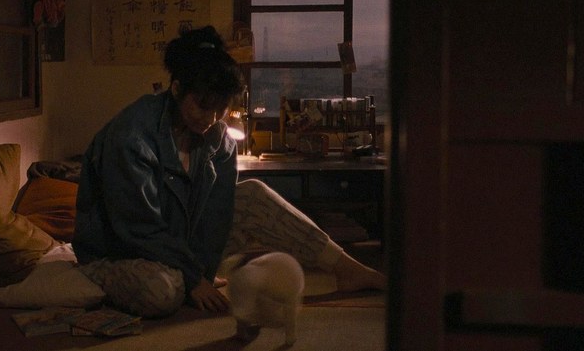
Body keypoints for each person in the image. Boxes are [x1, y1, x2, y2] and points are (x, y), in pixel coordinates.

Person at [72, 25, 386, 318]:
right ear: (177, 89)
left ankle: (348, 269)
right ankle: (142, 278)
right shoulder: (132, 137)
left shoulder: (218, 138)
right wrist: (193, 278)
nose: (211, 117)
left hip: (178, 243)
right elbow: (139, 229)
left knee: (253, 194)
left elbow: (217, 216)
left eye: (220, 108)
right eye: (202, 105)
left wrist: (204, 273)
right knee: (164, 291)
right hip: (122, 251)